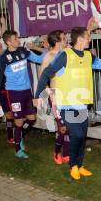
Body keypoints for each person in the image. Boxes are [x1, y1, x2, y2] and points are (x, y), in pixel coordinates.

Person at [34, 27, 101, 180]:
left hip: (82, 104)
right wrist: (38, 95)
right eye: (88, 36)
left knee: (82, 136)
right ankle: (73, 166)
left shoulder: (89, 56)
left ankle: (80, 164)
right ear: (81, 39)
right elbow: (46, 73)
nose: (90, 39)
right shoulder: (65, 55)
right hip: (67, 104)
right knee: (76, 135)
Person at [0, 30, 43, 159]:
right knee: (19, 121)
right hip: (14, 93)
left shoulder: (23, 51)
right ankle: (18, 149)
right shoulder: (3, 57)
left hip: (27, 91)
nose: (18, 41)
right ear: (8, 42)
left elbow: (39, 59)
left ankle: (18, 137)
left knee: (31, 119)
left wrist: (51, 52)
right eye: (15, 39)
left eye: (18, 39)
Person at [38, 30, 70, 165]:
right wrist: (49, 92)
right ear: (57, 41)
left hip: (70, 94)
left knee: (69, 126)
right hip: (56, 95)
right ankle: (57, 151)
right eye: (63, 39)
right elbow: (42, 76)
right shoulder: (49, 56)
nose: (66, 40)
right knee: (62, 127)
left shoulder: (68, 53)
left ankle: (67, 153)